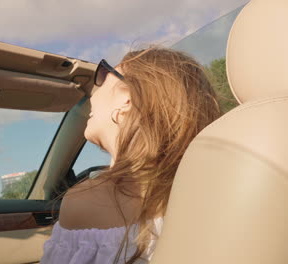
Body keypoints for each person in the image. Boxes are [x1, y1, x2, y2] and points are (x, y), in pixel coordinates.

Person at [41, 47, 221, 264]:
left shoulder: (85, 202)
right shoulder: (208, 193)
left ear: (127, 98)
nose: (92, 93)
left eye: (104, 75)